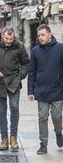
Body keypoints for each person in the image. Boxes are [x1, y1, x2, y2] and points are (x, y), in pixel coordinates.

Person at [0, 26, 29, 151]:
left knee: (14, 107)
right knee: (1, 111)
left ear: (14, 37)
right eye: (7, 38)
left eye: (11, 38)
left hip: (14, 81)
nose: (9, 41)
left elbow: (26, 63)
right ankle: (4, 139)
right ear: (2, 36)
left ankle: (13, 137)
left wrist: (20, 76)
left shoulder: (19, 46)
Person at [27, 24, 63, 155]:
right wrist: (30, 90)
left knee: (57, 116)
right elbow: (32, 72)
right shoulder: (35, 51)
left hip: (57, 90)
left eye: (43, 35)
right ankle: (43, 144)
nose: (40, 38)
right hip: (41, 91)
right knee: (42, 118)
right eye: (39, 36)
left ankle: (58, 132)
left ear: (50, 35)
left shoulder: (60, 48)